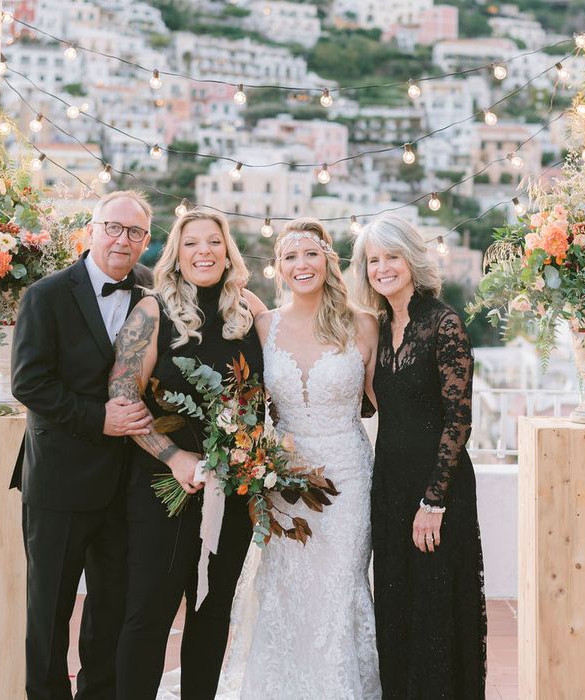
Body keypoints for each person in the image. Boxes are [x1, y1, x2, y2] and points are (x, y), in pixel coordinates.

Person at [217, 218, 381, 699]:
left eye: (310, 253)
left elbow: (385, 406)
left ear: (329, 260)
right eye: (290, 257)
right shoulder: (263, 325)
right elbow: (242, 400)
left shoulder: (364, 324)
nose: (301, 264)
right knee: (285, 587)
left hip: (348, 477)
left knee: (337, 588)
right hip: (283, 481)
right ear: (279, 269)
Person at [109, 209, 266, 700]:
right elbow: (122, 396)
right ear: (176, 255)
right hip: (164, 487)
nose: (204, 251)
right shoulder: (152, 311)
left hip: (233, 489)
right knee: (149, 613)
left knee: (213, 612)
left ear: (227, 252)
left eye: (214, 242)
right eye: (192, 242)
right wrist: (173, 456)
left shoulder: (249, 310)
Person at [11, 190, 155, 700]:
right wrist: (101, 419)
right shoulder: (46, 295)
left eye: (135, 232)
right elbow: (29, 383)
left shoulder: (151, 293)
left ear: (146, 242)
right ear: (91, 230)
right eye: (114, 227)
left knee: (111, 608)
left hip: (128, 482)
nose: (123, 239)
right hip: (59, 480)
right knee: (49, 610)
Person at [351, 214, 487, 699]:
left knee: (435, 609)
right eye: (373, 260)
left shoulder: (443, 323)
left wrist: (434, 502)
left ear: (412, 258)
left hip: (436, 487)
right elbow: (368, 403)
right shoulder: (381, 326)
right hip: (389, 484)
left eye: (392, 256)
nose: (383, 267)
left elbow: (459, 420)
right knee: (396, 606)